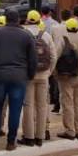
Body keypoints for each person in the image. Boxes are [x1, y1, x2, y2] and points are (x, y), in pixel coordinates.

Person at [0, 9, 36, 150]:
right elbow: (33, 59)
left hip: (0, 74)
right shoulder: (26, 36)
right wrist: (30, 75)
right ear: (18, 19)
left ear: (5, 19)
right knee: (15, 109)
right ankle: (11, 141)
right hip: (19, 76)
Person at [53, 16, 78, 140]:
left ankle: (70, 130)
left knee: (68, 103)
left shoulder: (63, 40)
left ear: (67, 28)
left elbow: (55, 56)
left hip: (66, 77)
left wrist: (53, 72)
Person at [22, 10, 54, 146]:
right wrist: (49, 72)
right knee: (42, 105)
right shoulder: (46, 35)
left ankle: (29, 137)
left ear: (28, 20)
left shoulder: (23, 34)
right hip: (43, 75)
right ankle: (40, 136)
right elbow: (53, 56)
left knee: (28, 105)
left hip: (28, 75)